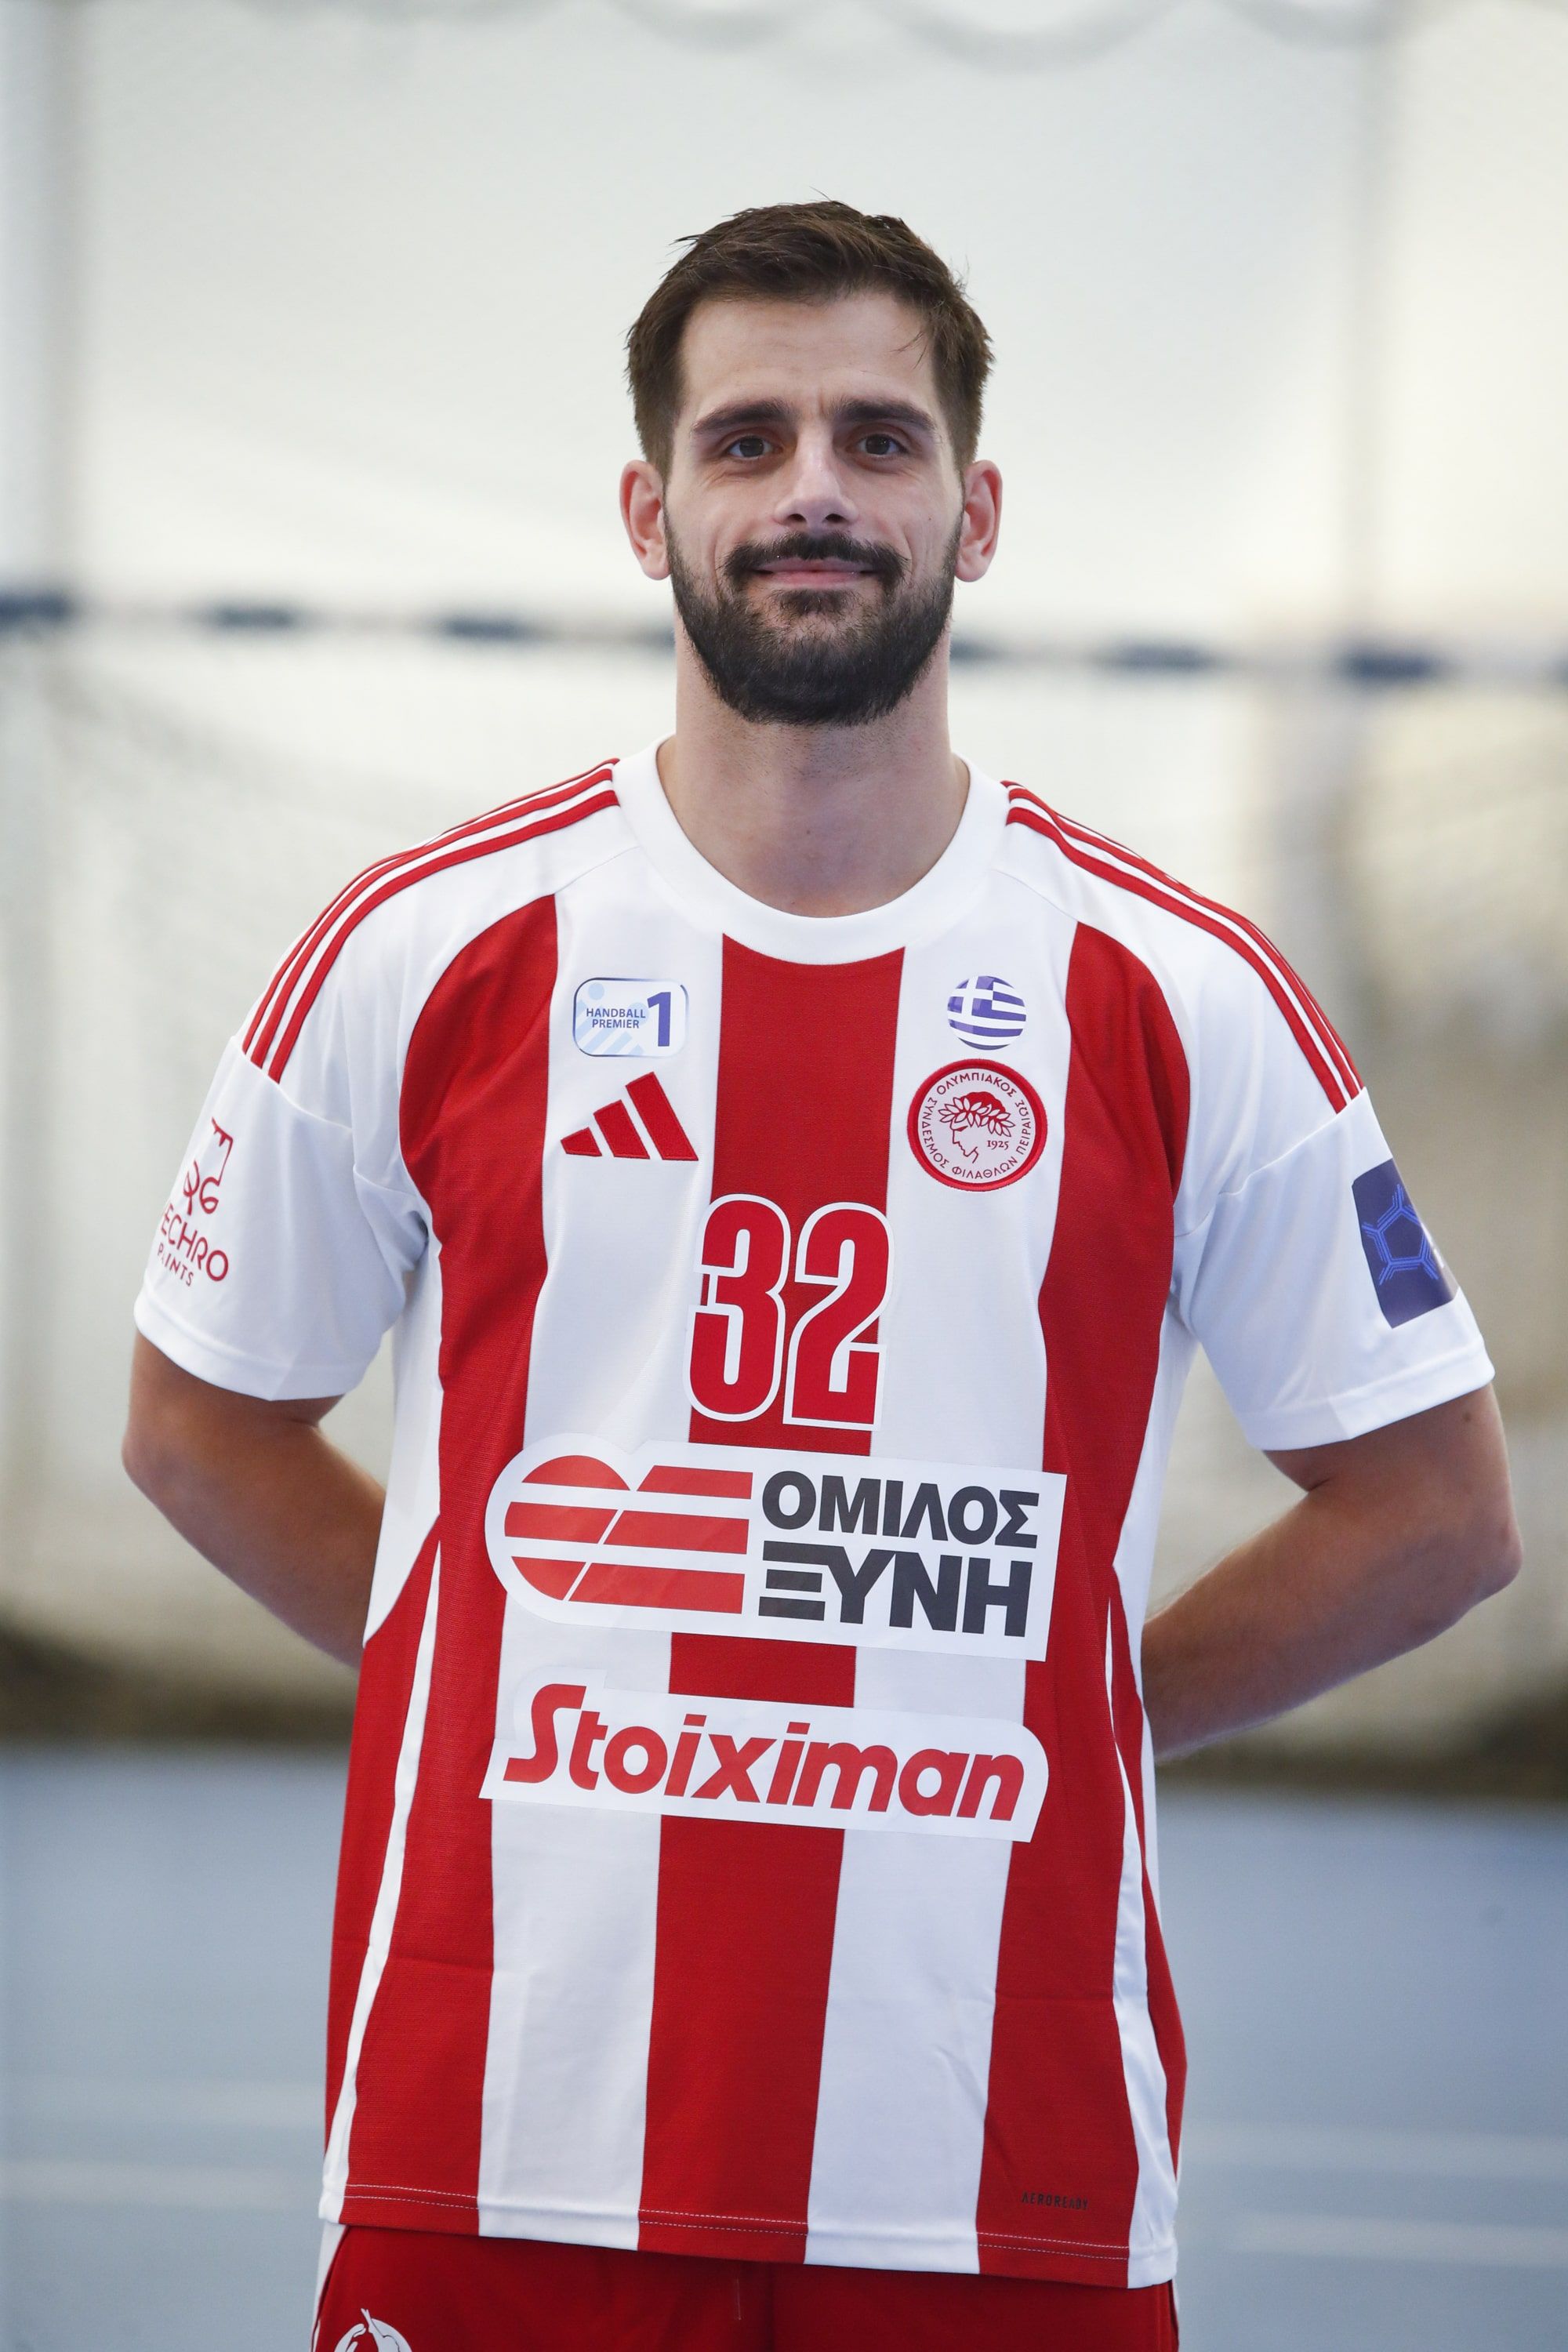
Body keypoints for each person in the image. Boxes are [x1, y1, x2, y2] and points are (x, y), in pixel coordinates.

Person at [123, 201, 1519, 2352]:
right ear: (647, 510)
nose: (813, 493)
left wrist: (1072, 1703)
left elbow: (1436, 1510)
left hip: (999, 2167)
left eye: (878, 438)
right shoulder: (427, 950)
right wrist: (484, 1658)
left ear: (977, 508)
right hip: (492, 2133)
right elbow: (198, 1420)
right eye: (746, 438)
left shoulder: (1178, 993)